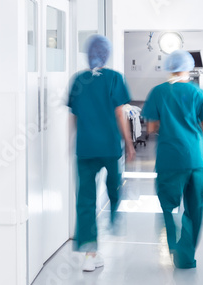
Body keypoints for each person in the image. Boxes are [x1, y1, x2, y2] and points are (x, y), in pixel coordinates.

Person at [67, 35, 136, 272]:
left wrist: (72, 141)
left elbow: (74, 116)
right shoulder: (115, 78)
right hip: (108, 146)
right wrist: (128, 142)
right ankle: (114, 216)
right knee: (115, 185)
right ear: (107, 54)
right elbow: (120, 114)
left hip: (85, 148)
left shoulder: (78, 80)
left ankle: (89, 253)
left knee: (85, 199)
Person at [142, 50, 203, 269]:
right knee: (195, 209)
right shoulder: (197, 93)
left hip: (170, 159)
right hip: (196, 159)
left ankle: (173, 244)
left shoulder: (158, 92)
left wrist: (170, 123)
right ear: (188, 68)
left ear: (169, 67)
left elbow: (152, 126)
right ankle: (185, 257)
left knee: (169, 207)